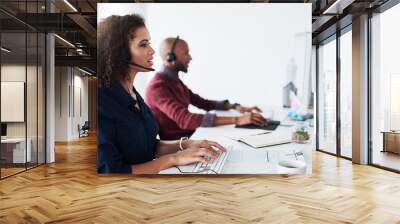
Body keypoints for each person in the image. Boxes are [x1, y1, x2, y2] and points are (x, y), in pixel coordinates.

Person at [97, 14, 225, 174]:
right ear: (119, 52)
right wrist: (173, 159)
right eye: (143, 45)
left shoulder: (132, 93)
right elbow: (112, 171)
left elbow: (150, 146)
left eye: (148, 43)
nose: (152, 51)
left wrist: (185, 145)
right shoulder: (102, 102)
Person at [145, 36, 266, 140]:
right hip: (179, 147)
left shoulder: (174, 81)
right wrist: (238, 120)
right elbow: (185, 119)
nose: (190, 58)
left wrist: (235, 107)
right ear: (170, 58)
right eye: (186, 53)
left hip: (192, 137)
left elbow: (203, 103)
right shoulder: (158, 87)